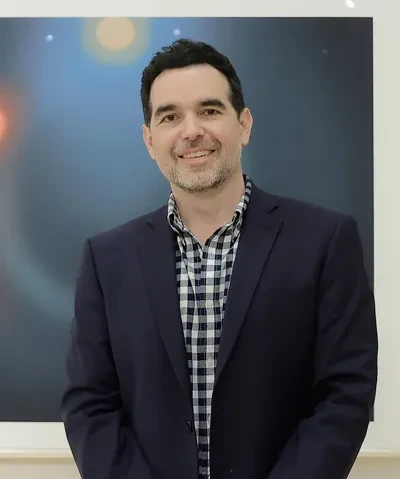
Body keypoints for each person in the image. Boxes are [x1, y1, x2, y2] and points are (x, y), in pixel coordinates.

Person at [61, 39, 378, 479]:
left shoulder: (325, 241)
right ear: (150, 141)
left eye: (209, 110)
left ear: (244, 125)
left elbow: (346, 393)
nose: (191, 130)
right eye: (170, 116)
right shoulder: (106, 258)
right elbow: (89, 404)